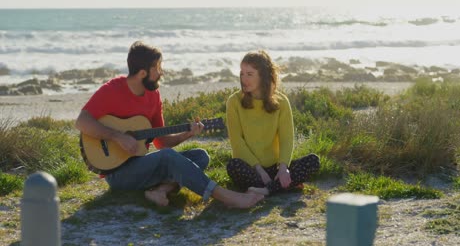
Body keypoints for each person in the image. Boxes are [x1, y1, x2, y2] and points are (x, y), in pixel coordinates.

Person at [75, 41, 263, 208]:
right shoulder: (112, 90)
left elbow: (162, 143)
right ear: (143, 73)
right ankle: (226, 197)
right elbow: (82, 121)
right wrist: (117, 136)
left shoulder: (153, 95)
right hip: (118, 174)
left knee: (200, 156)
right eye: (157, 68)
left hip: (141, 165)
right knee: (167, 158)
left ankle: (160, 191)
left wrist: (187, 134)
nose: (161, 72)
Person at [225, 50, 320, 196]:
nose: (244, 79)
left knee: (313, 161)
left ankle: (266, 189)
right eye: (242, 73)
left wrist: (283, 168)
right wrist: (260, 171)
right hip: (251, 168)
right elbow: (237, 143)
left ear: (263, 76)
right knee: (233, 166)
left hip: (275, 167)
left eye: (249, 74)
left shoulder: (282, 102)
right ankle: (281, 186)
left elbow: (286, 139)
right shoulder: (234, 102)